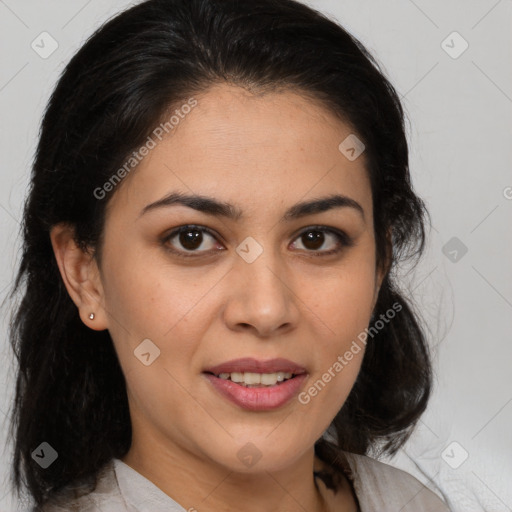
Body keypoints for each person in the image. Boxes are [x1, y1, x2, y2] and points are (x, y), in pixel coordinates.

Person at [7, 0, 451, 510]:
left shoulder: (412, 502)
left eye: (316, 238)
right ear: (85, 273)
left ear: (379, 265)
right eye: (191, 239)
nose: (265, 310)